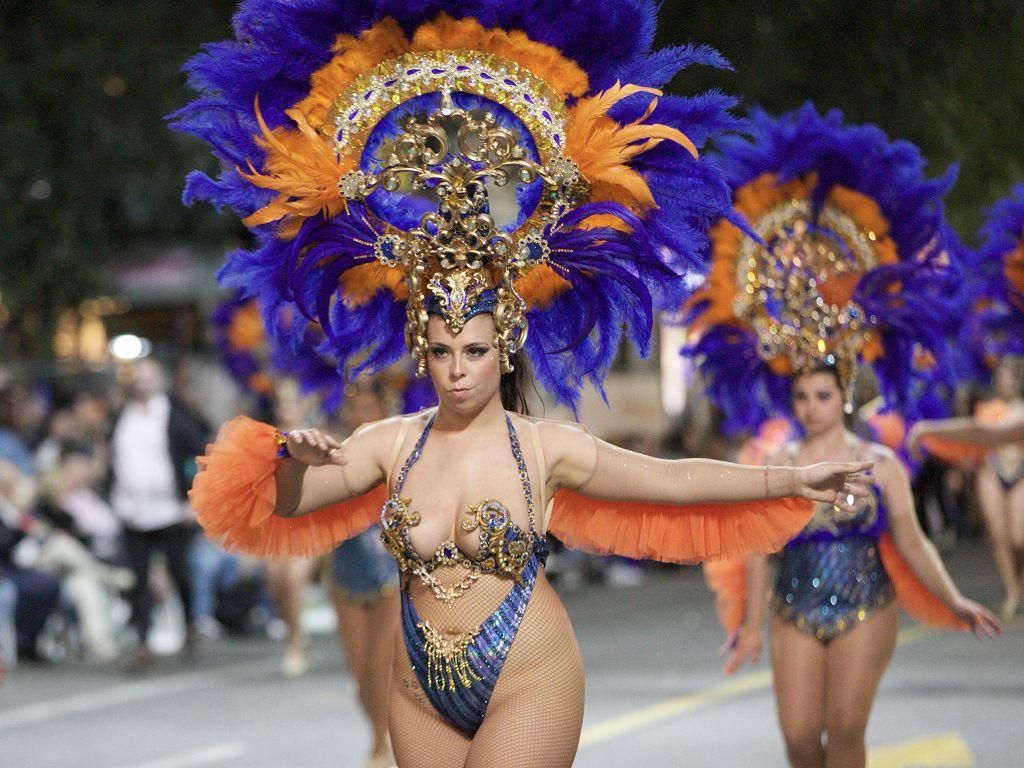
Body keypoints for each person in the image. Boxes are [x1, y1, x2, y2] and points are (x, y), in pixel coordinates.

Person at [179, 3, 875, 764]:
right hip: (418, 685)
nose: (457, 369)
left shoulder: (544, 448)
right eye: (441, 351)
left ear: (503, 346)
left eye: (474, 350)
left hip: (527, 674)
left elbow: (673, 484)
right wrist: (293, 460)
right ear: (421, 350)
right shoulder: (388, 444)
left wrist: (792, 477)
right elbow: (287, 505)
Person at [685, 105, 1002, 768]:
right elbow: (757, 548)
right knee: (801, 740)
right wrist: (747, 628)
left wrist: (953, 601)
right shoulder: (779, 459)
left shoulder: (879, 463)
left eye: (822, 394)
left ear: (844, 393)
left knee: (845, 736)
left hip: (866, 608)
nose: (810, 405)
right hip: (794, 611)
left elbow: (912, 541)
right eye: (801, 395)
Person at [109, 358, 208, 671]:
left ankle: (191, 625)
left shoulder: (174, 415)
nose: (141, 383)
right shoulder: (121, 417)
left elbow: (197, 456)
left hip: (170, 509)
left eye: (147, 377)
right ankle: (143, 641)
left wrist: (193, 497)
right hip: (132, 509)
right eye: (137, 377)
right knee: (137, 578)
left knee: (179, 571)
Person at [326, 383, 403, 768]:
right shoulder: (333, 455)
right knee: (360, 675)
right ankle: (381, 734)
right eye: (352, 407)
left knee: (380, 667)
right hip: (346, 571)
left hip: (391, 571)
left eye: (367, 406)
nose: (359, 415)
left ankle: (380, 743)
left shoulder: (400, 453)